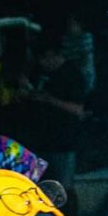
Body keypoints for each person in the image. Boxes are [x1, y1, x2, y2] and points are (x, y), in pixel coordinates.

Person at [19, 36, 86, 190]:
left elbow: (78, 109)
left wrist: (50, 100)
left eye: (44, 58)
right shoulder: (39, 72)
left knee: (64, 189)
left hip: (63, 143)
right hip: (40, 142)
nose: (42, 63)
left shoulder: (72, 74)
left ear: (53, 55)